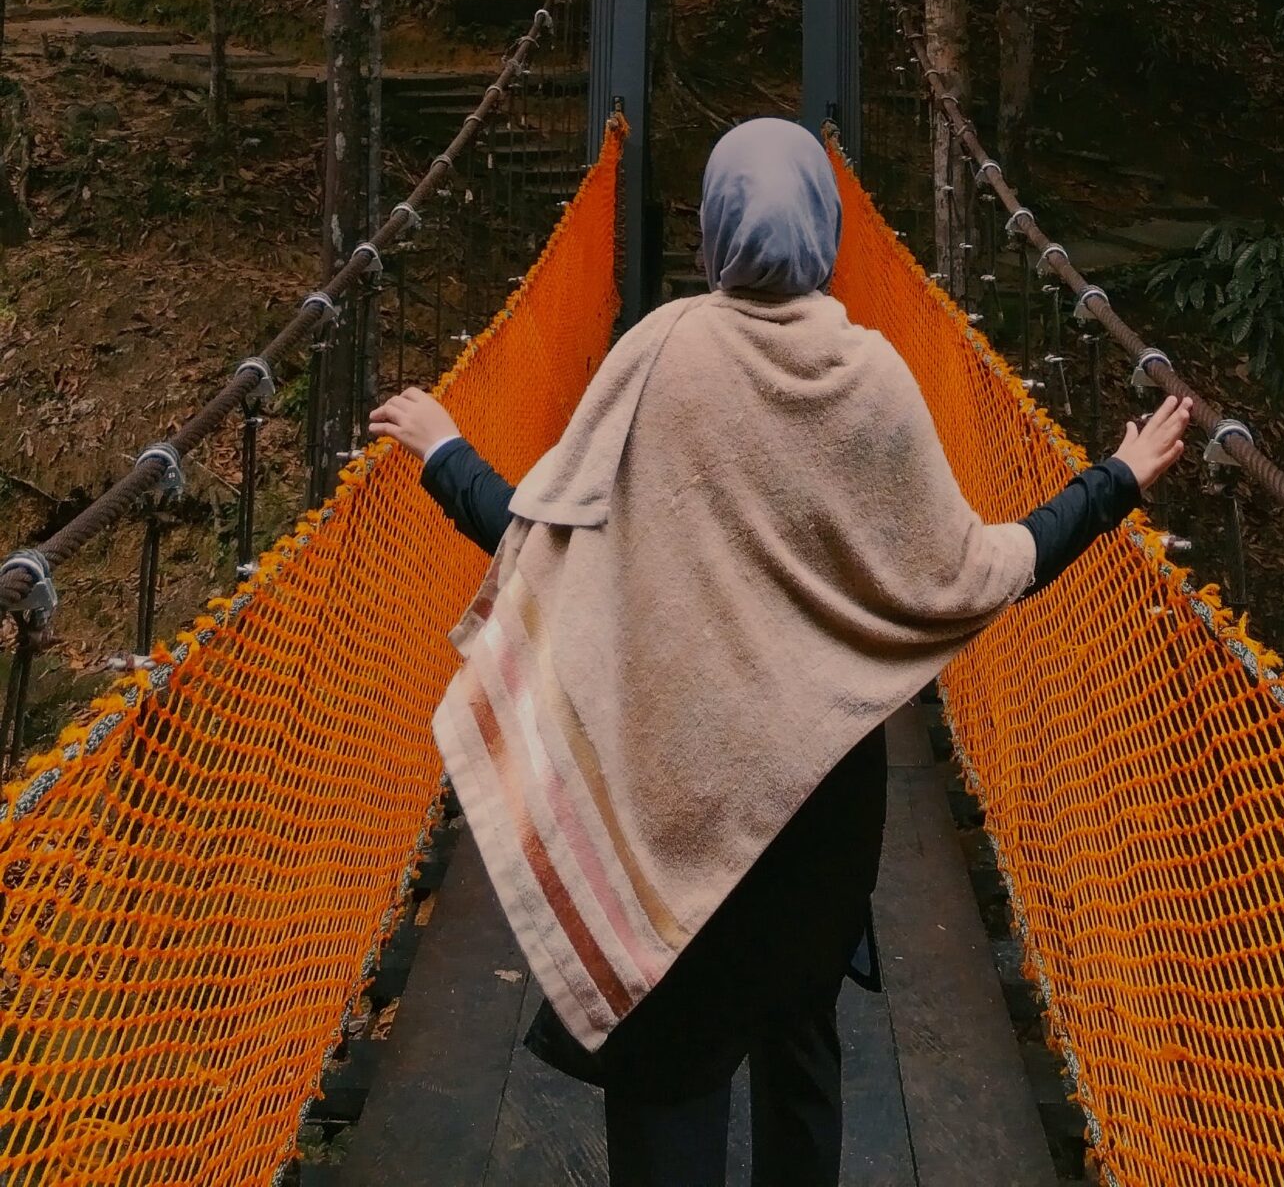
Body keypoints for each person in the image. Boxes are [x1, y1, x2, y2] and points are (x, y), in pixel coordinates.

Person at [369, 117, 1189, 1187]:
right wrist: (1113, 480)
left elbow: (538, 537)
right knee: (800, 1043)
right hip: (821, 818)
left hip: (670, 799)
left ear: (710, 233)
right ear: (830, 229)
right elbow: (979, 571)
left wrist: (445, 453)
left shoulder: (661, 350)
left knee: (666, 1064)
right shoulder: (875, 378)